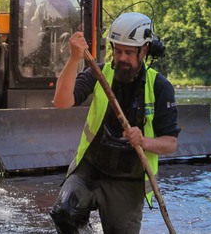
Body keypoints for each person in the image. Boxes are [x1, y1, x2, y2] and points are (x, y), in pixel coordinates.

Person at [50, 12, 180, 233]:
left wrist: (144, 141)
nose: (122, 58)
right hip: (90, 168)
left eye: (129, 52)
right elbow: (61, 102)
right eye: (117, 51)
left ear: (144, 50)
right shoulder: (98, 72)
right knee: (64, 213)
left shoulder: (160, 86)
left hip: (128, 180)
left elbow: (170, 144)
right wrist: (74, 59)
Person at [23, 0, 79, 76]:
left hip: (64, 40)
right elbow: (35, 24)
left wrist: (81, 26)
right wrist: (28, 34)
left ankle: (65, 70)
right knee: (40, 38)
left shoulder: (68, 6)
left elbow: (77, 22)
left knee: (66, 39)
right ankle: (39, 68)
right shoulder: (42, 7)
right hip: (46, 39)